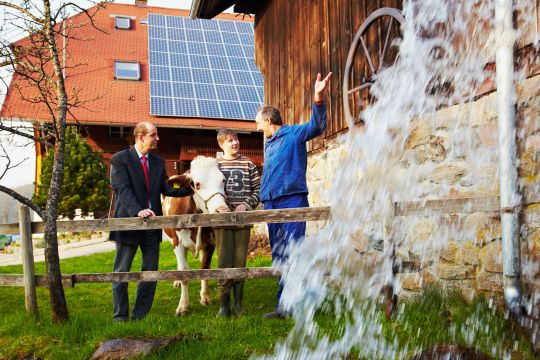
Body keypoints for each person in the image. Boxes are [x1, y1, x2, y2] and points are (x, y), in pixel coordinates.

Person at [255, 72, 332, 319]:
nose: (257, 127)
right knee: (279, 254)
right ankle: (296, 299)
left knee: (294, 251)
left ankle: (288, 305)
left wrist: (318, 99)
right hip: (271, 203)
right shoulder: (268, 142)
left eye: (258, 122)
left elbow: (316, 127)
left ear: (268, 120)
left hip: (292, 200)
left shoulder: (294, 134)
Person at [109, 121, 192, 322]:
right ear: (140, 137)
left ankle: (140, 316)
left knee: (151, 271)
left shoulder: (157, 161)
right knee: (122, 271)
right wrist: (138, 210)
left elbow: (165, 189)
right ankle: (120, 316)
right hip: (128, 223)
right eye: (154, 135)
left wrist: (190, 189)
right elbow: (122, 189)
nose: (158, 138)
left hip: (152, 226)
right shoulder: (119, 159)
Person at [214, 128, 261, 316]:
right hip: (222, 221)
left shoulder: (248, 163)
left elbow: (258, 189)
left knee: (239, 261)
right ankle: (223, 305)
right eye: (230, 141)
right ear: (221, 144)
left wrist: (247, 205)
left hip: (243, 221)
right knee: (224, 261)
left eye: (236, 139)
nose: (235, 143)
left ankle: (238, 304)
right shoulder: (215, 165)